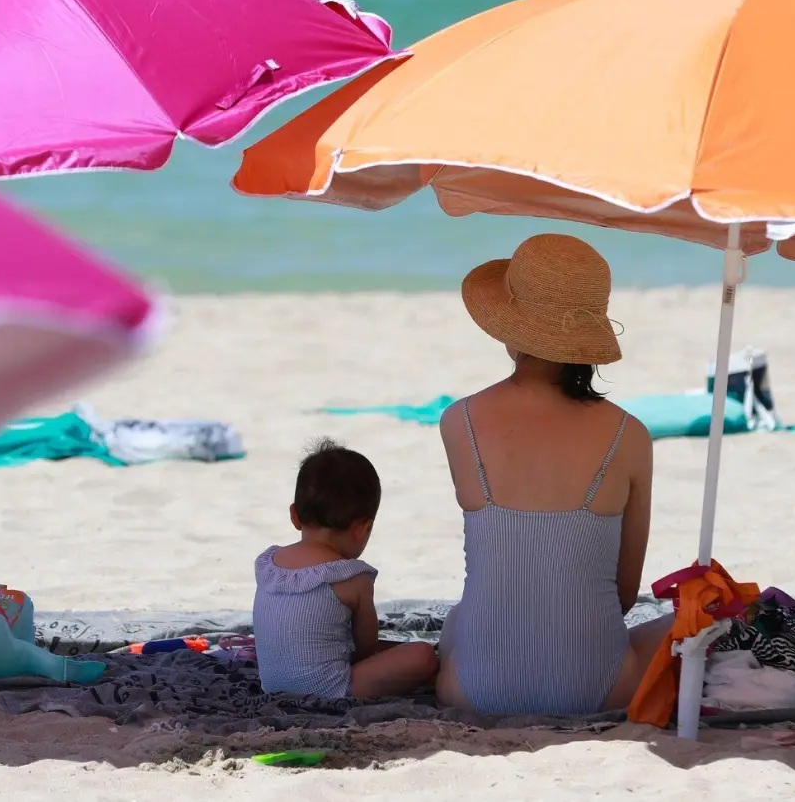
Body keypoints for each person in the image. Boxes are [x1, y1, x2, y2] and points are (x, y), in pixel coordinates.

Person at [435, 234, 676, 715]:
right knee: (686, 625)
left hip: (473, 690)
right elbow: (624, 595)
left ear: (511, 327)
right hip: (600, 688)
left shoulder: (458, 421)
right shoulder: (630, 435)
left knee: (461, 619)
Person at [252, 439, 440, 698]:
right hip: (333, 689)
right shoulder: (353, 577)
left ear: (295, 516)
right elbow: (365, 649)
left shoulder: (269, 564)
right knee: (423, 655)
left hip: (272, 685)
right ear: (364, 528)